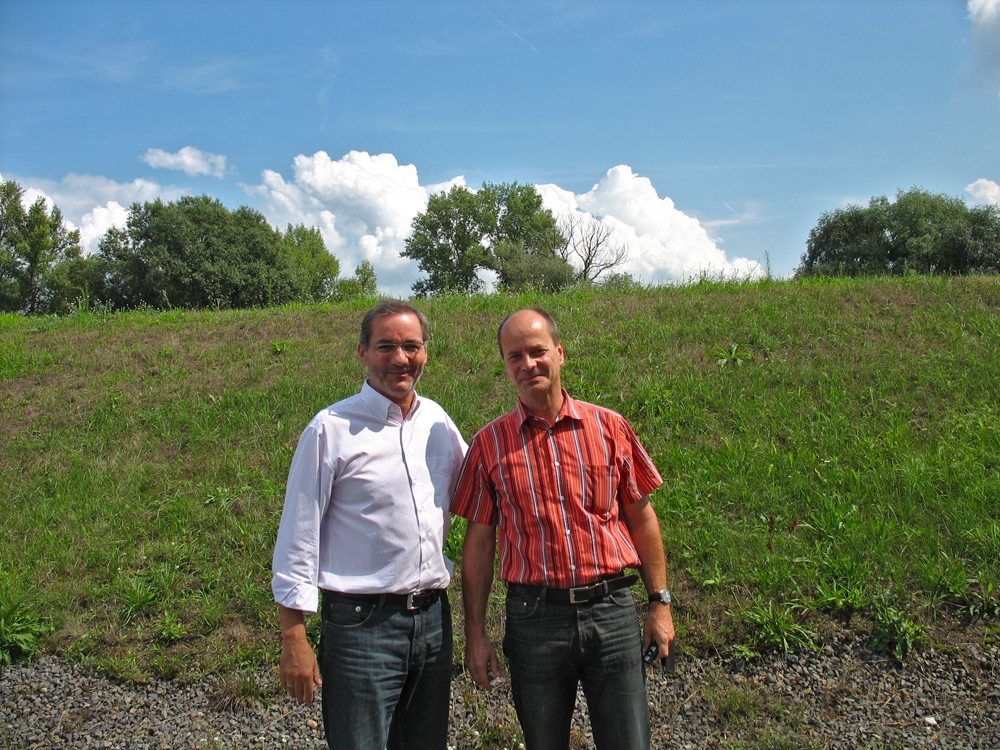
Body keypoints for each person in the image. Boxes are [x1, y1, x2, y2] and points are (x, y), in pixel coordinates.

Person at [452, 308, 674, 750]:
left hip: (612, 610)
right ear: (505, 365)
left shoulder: (610, 427)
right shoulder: (488, 444)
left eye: (537, 352)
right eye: (514, 356)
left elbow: (642, 517)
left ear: (560, 352)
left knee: (629, 742)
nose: (527, 364)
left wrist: (659, 603)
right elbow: (478, 542)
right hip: (535, 621)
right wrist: (474, 632)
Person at [271, 299, 467, 750]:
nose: (400, 358)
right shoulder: (330, 429)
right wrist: (293, 635)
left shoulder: (437, 422)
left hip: (433, 622)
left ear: (425, 353)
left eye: (411, 346)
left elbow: (479, 494)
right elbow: (298, 538)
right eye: (386, 346)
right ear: (362, 353)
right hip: (362, 627)